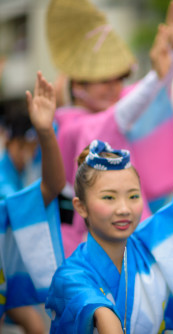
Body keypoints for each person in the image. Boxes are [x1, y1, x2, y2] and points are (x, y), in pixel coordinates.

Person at [45, 58, 173, 333]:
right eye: (109, 198)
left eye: (133, 196)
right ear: (80, 206)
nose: (124, 208)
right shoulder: (72, 276)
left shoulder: (149, 244)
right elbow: (108, 323)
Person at [46, 0, 173, 257]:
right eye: (104, 79)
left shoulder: (118, 105)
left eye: (119, 77)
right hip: (84, 248)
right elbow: (126, 111)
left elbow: (152, 98)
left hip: (131, 235)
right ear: (78, 83)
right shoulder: (71, 126)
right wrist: (157, 76)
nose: (114, 86)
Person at [0, 72, 65, 333]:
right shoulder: (5, 184)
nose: (32, 152)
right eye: (31, 144)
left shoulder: (13, 179)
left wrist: (46, 130)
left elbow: (52, 186)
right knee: (34, 323)